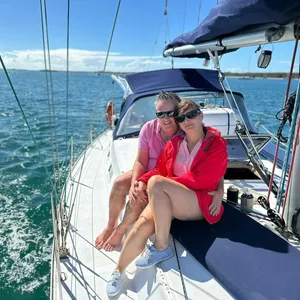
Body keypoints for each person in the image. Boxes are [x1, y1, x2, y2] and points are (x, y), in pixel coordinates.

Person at [106, 100, 228, 297]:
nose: (187, 121)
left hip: (199, 202)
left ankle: (162, 246)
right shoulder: (175, 144)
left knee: (158, 183)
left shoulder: (216, 144)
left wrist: (162, 183)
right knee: (141, 225)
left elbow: (206, 179)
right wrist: (144, 181)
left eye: (192, 115)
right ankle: (118, 271)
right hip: (170, 198)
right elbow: (159, 170)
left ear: (201, 116)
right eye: (181, 118)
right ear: (178, 122)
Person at [95, 91, 182, 251]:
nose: (165, 119)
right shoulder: (148, 129)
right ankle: (110, 226)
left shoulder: (184, 133)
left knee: (139, 198)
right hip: (148, 172)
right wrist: (135, 182)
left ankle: (120, 231)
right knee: (120, 183)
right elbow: (141, 160)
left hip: (167, 179)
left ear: (178, 112)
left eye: (171, 113)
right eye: (160, 114)